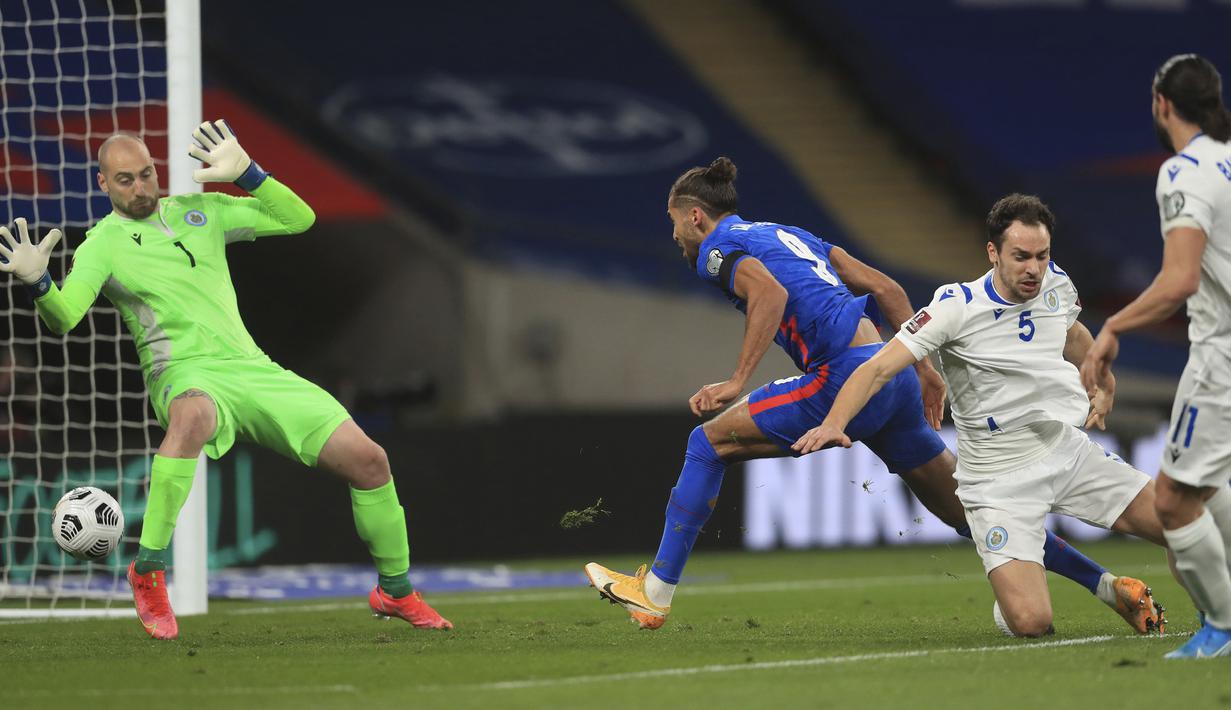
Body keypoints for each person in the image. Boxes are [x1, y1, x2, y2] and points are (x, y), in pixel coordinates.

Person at [584, 159, 1162, 634]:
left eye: (675, 223)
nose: (676, 236)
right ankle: (1107, 585)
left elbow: (769, 295)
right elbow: (885, 287)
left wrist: (736, 381)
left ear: (694, 215)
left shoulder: (718, 246)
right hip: (893, 379)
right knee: (973, 512)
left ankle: (655, 593)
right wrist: (928, 372)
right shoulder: (791, 233)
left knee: (705, 444)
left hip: (844, 377)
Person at [0, 120, 450, 639]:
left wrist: (252, 175)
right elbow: (65, 318)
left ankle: (396, 592)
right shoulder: (102, 246)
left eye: (147, 174)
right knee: (193, 416)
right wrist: (39, 283)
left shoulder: (202, 211)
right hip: (181, 373)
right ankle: (147, 571)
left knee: (371, 462)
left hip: (251, 368)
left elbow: (299, 218)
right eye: (126, 180)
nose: (141, 187)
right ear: (103, 184)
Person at [794, 193, 1170, 637]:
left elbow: (1074, 335)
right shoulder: (955, 307)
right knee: (1031, 622)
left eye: (1042, 256)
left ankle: (1214, 621)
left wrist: (1103, 385)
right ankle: (1016, 593)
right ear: (993, 253)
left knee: (1180, 523)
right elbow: (876, 368)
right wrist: (835, 422)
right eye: (1021, 257)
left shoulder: (1056, 282)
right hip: (996, 479)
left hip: (1064, 450)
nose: (1034, 268)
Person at [1082, 54, 1231, 659]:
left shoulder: (1186, 170)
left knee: (1172, 500)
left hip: (1221, 355)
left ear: (1162, 103)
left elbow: (1179, 280)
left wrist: (1112, 326)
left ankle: (1221, 625)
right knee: (1208, 488)